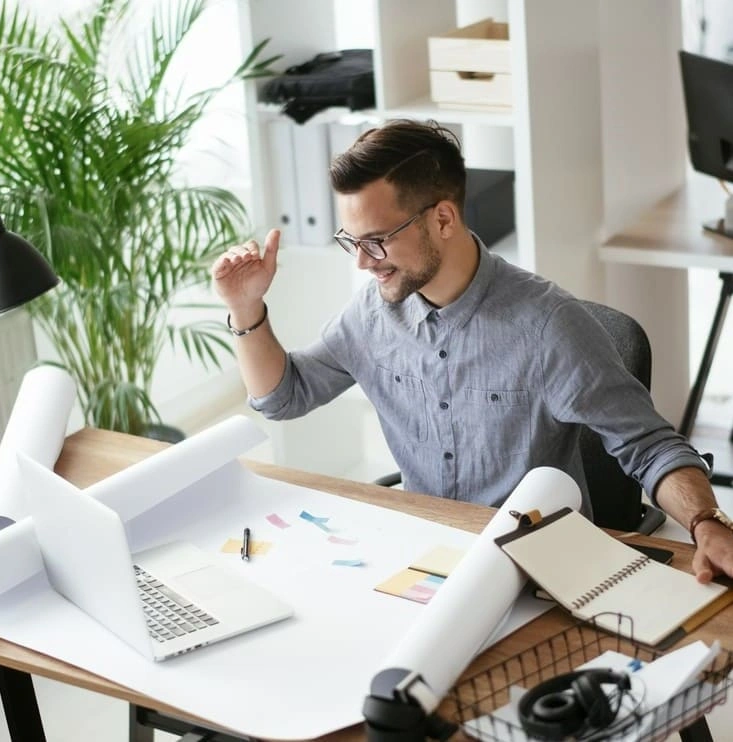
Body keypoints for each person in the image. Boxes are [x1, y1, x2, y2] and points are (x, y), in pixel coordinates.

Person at [210, 118, 733, 583]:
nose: (363, 263)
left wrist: (707, 522)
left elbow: (650, 446)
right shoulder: (370, 314)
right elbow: (283, 397)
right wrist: (245, 307)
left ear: (443, 219)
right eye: (352, 241)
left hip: (534, 571)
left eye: (377, 240)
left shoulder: (549, 326)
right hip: (426, 557)